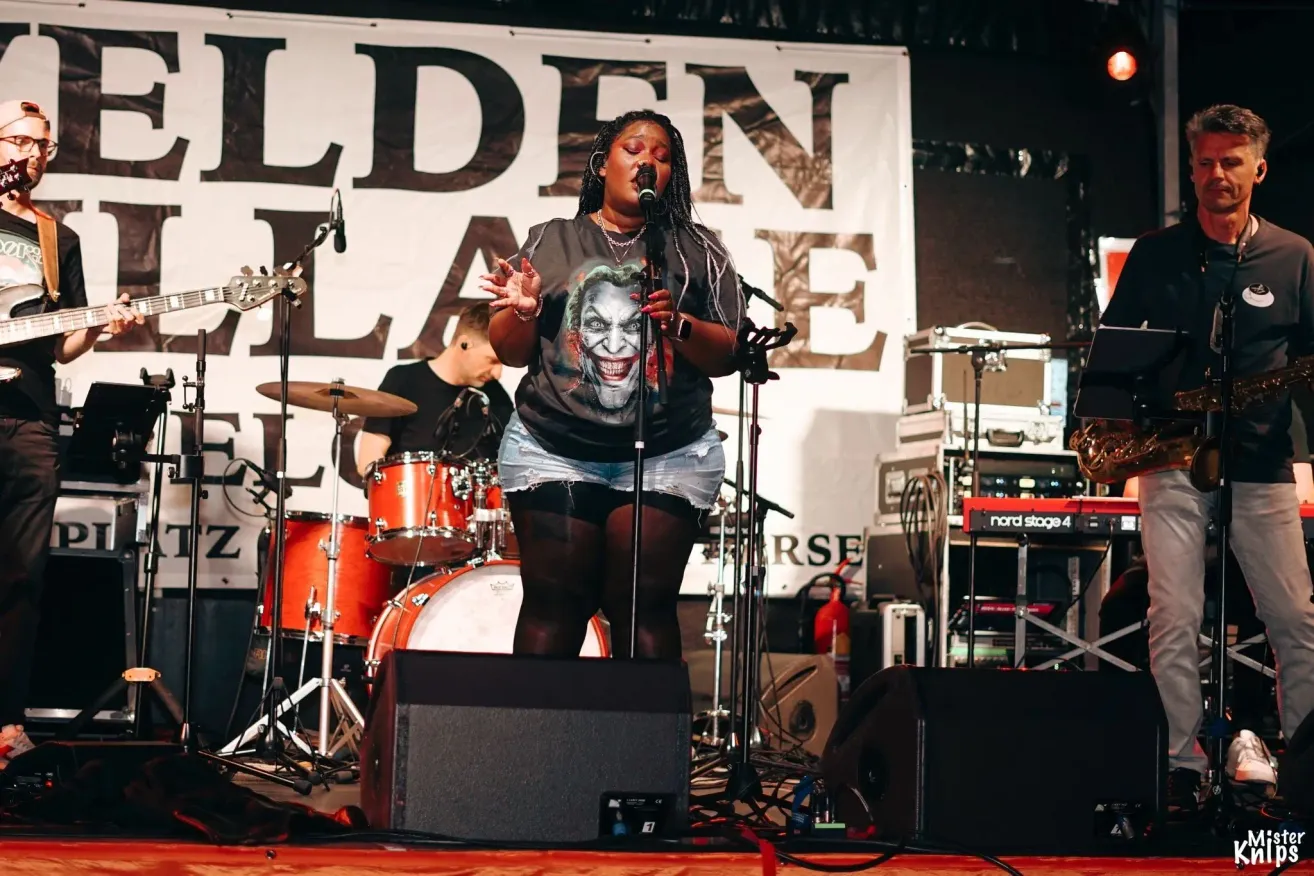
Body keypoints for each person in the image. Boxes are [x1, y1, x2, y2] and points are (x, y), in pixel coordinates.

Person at [1098, 104, 1314, 810]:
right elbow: (1115, 354)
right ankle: (1179, 765)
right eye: (1204, 163)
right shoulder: (1157, 253)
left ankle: (1307, 764)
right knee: (1173, 616)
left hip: (1261, 462)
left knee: (1296, 620)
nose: (1215, 175)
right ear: (1191, 170)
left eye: (1230, 161)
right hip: (1171, 460)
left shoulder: (1295, 256)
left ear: (1260, 166)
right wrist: (1116, 431)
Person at [481, 109, 743, 659]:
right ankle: (537, 742)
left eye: (663, 156)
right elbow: (508, 351)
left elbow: (728, 354)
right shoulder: (552, 240)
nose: (648, 160)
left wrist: (679, 325)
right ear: (602, 165)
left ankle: (642, 746)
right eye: (634, 149)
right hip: (554, 448)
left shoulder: (698, 250)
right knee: (555, 602)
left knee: (642, 606)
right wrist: (523, 312)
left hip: (667, 453)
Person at [0, 100, 143, 768]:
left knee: (21, 574)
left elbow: (61, 349)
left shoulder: (60, 242)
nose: (28, 154)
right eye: (17, 140)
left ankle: (5, 723)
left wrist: (99, 326)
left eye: (41, 146)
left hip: (27, 412)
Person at [356, 302, 513, 475]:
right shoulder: (403, 380)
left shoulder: (495, 395)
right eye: (492, 360)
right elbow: (368, 461)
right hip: (413, 498)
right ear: (464, 344)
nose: (498, 373)